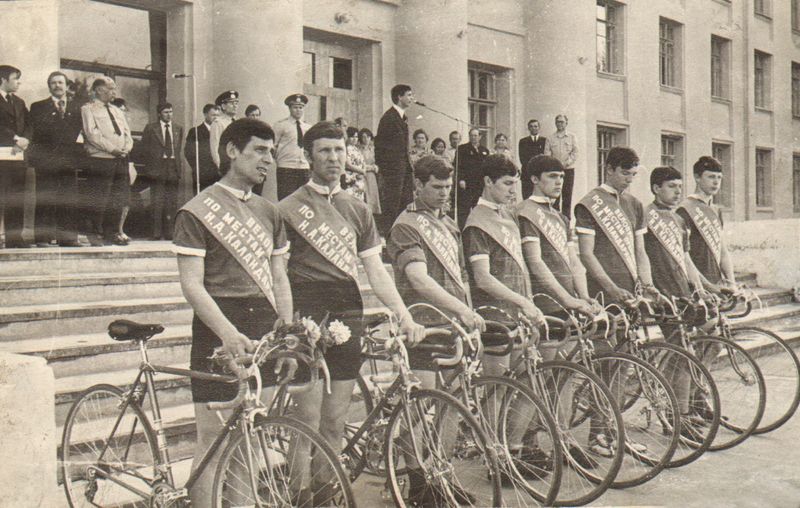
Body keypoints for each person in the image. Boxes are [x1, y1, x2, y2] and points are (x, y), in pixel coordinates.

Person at [278, 121, 423, 505]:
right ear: (308, 157)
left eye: (339, 150)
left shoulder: (358, 208)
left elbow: (375, 269)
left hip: (347, 309)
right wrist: (286, 325)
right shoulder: (287, 208)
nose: (333, 158)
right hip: (305, 310)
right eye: (324, 151)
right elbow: (277, 273)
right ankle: (298, 497)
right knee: (306, 421)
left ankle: (326, 496)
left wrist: (403, 314)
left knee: (335, 420)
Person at [173, 118, 294, 507]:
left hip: (263, 322)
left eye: (271, 152)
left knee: (251, 439)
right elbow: (192, 285)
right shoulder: (196, 210)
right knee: (213, 440)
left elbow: (279, 276)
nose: (268, 160)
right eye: (259, 150)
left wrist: (287, 336)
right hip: (218, 324)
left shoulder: (270, 212)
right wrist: (226, 333)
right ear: (231, 151)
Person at [386, 154, 484, 504]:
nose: (444, 193)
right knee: (419, 408)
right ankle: (417, 483)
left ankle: (440, 475)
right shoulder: (406, 225)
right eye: (437, 187)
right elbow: (418, 279)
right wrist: (462, 310)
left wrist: (467, 315)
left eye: (447, 186)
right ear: (418, 185)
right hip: (423, 327)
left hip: (453, 325)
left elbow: (462, 277)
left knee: (452, 406)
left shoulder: (450, 223)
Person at [645, 166, 717, 440]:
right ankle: (680, 416)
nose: (677, 191)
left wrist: (701, 289)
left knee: (709, 340)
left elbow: (686, 261)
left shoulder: (678, 220)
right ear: (656, 188)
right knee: (683, 353)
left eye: (679, 186)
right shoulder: (646, 216)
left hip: (683, 294)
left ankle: (688, 401)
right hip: (663, 296)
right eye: (671, 186)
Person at [516, 155, 599, 320]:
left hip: (570, 302)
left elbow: (573, 261)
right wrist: (567, 299)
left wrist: (584, 296)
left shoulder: (561, 217)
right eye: (552, 176)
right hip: (545, 304)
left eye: (561, 177)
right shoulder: (525, 212)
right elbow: (535, 262)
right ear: (534, 179)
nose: (559, 182)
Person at [575, 146, 660, 305]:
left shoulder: (635, 204)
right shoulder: (589, 203)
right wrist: (612, 288)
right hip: (602, 289)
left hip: (632, 288)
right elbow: (586, 254)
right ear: (609, 169)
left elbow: (640, 251)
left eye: (633, 174)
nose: (629, 180)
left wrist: (648, 285)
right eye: (625, 173)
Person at [29, 70, 84, 247]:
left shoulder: (77, 108)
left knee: (68, 199)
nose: (57, 86)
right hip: (46, 160)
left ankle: (68, 238)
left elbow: (80, 133)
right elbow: (37, 134)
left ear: (67, 86)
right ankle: (43, 238)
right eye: (53, 83)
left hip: (69, 160)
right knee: (45, 198)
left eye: (60, 82)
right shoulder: (38, 107)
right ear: (49, 87)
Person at [80, 76, 133, 246]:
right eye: (111, 88)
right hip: (101, 159)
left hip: (120, 159)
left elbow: (127, 133)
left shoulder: (117, 110)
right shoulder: (88, 109)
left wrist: (126, 148)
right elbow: (92, 134)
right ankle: (95, 233)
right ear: (99, 90)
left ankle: (113, 232)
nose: (114, 92)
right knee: (99, 197)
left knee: (118, 198)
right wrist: (112, 149)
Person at [677, 156, 736, 289]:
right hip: (695, 283)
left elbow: (723, 251)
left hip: (716, 282)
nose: (716, 182)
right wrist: (704, 285)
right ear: (697, 177)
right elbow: (683, 256)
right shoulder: (684, 209)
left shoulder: (716, 210)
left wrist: (732, 283)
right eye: (711, 177)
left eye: (719, 177)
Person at [375, 84, 415, 234]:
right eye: (409, 95)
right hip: (393, 173)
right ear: (399, 97)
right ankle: (389, 236)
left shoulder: (402, 117)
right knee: (392, 207)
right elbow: (380, 147)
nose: (411, 98)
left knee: (404, 206)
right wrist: (387, 171)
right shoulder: (389, 118)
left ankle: (400, 235)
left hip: (403, 170)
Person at [141, 102, 184, 241]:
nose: (169, 115)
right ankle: (155, 232)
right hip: (157, 167)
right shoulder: (151, 128)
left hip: (172, 166)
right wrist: (150, 167)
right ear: (159, 114)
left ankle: (169, 232)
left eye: (170, 112)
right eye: (166, 112)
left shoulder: (178, 128)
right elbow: (144, 149)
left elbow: (178, 148)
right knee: (157, 201)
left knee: (171, 201)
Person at [0, 65, 32, 248]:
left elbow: (29, 124)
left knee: (17, 197)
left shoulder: (19, 102)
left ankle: (15, 238)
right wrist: (15, 138)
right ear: (3, 80)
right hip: (1, 155)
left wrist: (26, 139)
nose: (19, 83)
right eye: (15, 79)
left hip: (18, 157)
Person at [273, 93, 311, 200]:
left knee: (304, 200)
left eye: (301, 107)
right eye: (295, 107)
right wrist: (281, 160)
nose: (298, 110)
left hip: (304, 168)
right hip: (286, 168)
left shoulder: (307, 127)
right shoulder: (281, 125)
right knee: (286, 199)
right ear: (289, 108)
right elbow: (273, 146)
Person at [544, 114, 578, 218]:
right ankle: (556, 219)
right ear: (555, 123)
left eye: (562, 122)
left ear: (566, 123)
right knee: (555, 196)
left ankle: (566, 221)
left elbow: (575, 153)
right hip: (554, 171)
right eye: (558, 122)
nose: (560, 124)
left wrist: (566, 163)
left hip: (568, 170)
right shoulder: (550, 138)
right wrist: (555, 165)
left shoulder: (572, 137)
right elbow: (547, 154)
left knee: (567, 197)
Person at [455, 127, 489, 228]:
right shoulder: (462, 149)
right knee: (464, 210)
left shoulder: (484, 151)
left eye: (475, 135)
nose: (473, 137)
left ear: (480, 137)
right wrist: (461, 179)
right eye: (471, 135)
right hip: (466, 184)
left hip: (479, 184)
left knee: (478, 208)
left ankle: (477, 228)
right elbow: (458, 166)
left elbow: (487, 168)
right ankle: (463, 230)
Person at [184, 104, 221, 192]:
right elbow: (188, 152)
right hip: (203, 174)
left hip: (219, 174)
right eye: (213, 115)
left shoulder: (221, 131)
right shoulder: (195, 132)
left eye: (217, 115)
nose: (216, 118)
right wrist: (198, 168)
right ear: (205, 114)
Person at [209, 90, 239, 172]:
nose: (235, 106)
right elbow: (214, 147)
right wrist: (219, 166)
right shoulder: (218, 123)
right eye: (231, 103)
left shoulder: (237, 122)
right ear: (223, 106)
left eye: (236, 103)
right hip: (225, 164)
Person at [518, 119, 547, 200]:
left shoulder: (545, 141)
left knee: (540, 197)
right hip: (527, 174)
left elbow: (545, 157)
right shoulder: (523, 141)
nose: (533, 128)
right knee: (527, 197)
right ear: (528, 128)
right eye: (531, 126)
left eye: (535, 126)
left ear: (539, 128)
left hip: (540, 173)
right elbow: (522, 158)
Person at [357, 127, 381, 216]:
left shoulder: (373, 150)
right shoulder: (358, 150)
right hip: (362, 175)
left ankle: (371, 215)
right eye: (363, 137)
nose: (366, 139)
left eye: (368, 137)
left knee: (372, 195)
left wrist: (376, 167)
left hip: (371, 176)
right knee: (364, 194)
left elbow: (377, 163)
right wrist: (371, 167)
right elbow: (359, 164)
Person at [492, 132, 521, 202]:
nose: (501, 142)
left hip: (507, 175)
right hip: (495, 176)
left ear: (506, 142)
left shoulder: (509, 153)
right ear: (495, 141)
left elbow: (513, 165)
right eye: (499, 140)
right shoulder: (491, 152)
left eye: (503, 140)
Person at [343, 126, 366, 201]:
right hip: (351, 178)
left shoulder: (357, 149)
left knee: (359, 200)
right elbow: (347, 164)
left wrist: (363, 170)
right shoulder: (346, 149)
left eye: (356, 137)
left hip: (360, 178)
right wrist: (361, 171)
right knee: (352, 199)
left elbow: (363, 162)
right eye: (352, 137)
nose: (355, 139)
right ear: (348, 137)